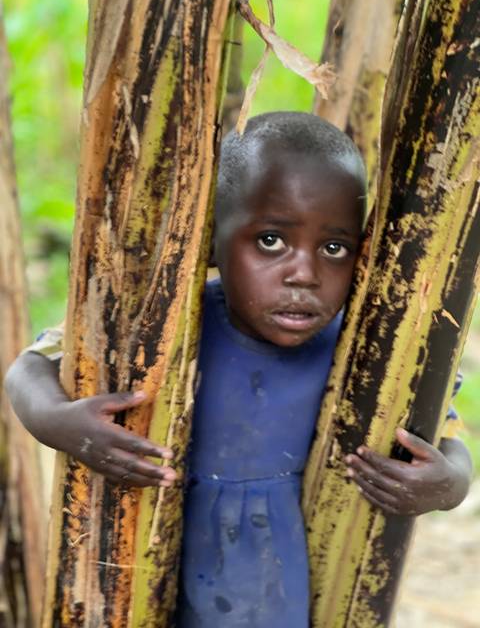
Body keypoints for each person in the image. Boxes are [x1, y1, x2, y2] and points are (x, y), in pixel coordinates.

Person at [5, 112, 472, 627]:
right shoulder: (172, 325)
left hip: (285, 575)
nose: (304, 273)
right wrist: (56, 421)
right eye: (271, 240)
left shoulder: (361, 352)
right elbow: (30, 366)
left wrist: (448, 484)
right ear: (214, 240)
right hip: (150, 555)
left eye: (333, 248)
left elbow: (444, 434)